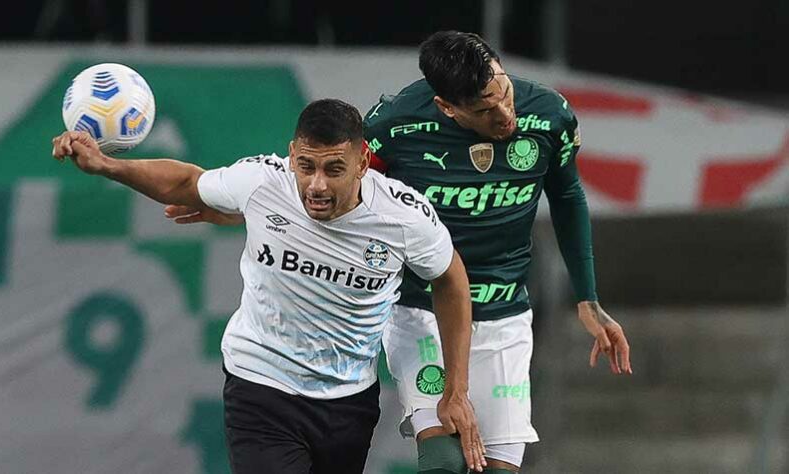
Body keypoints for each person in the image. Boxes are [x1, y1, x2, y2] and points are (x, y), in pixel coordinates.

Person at [167, 32, 634, 474]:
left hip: (504, 313)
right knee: (446, 464)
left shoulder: (549, 114)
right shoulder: (395, 124)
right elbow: (332, 193)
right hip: (420, 310)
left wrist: (588, 299)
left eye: (505, 93)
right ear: (446, 107)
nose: (505, 116)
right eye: (486, 109)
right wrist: (239, 212)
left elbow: (569, 197)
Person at [50, 98, 487, 474]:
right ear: (291, 153)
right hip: (260, 384)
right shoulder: (262, 181)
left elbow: (450, 279)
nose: (316, 184)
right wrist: (108, 165)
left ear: (361, 161)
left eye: (334, 169)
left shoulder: (403, 217)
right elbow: (187, 182)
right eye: (306, 166)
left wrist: (456, 391)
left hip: (348, 398)